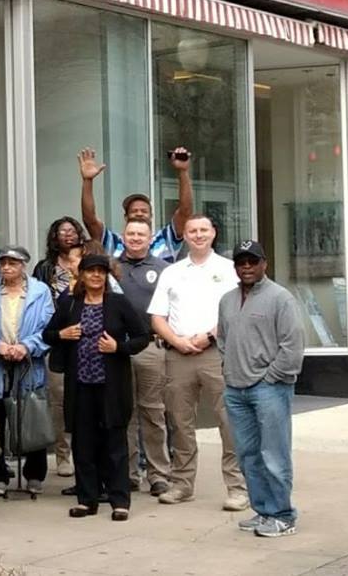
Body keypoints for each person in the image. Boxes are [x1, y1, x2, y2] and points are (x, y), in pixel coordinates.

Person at [147, 214, 247, 510]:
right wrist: (177, 341)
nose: (199, 235)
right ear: (185, 235)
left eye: (204, 229)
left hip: (217, 353)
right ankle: (182, 484)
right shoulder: (172, 272)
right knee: (180, 422)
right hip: (178, 355)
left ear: (214, 233)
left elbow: (236, 311)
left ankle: (238, 488)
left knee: (229, 420)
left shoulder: (228, 269)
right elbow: (157, 317)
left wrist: (209, 336)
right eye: (192, 230)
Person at [43, 254, 149, 521]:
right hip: (80, 385)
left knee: (115, 443)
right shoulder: (70, 303)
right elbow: (48, 334)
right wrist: (62, 335)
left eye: (101, 271)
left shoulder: (118, 303)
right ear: (81, 275)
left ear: (107, 276)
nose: (96, 275)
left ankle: (119, 500)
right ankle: (86, 499)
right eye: (91, 271)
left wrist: (119, 347)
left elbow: (142, 337)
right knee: (83, 444)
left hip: (111, 386)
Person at [219, 240, 305, 539]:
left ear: (264, 264)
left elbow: (292, 345)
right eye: (241, 262)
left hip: (269, 388)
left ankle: (283, 515)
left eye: (252, 262)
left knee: (274, 455)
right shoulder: (227, 300)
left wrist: (271, 377)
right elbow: (223, 339)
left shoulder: (280, 298)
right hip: (235, 389)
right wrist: (228, 369)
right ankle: (264, 510)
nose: (246, 267)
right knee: (248, 455)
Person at [0, 246, 54, 497]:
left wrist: (27, 346)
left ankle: (34, 475)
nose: (7, 267)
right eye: (3, 263)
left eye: (12, 263)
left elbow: (48, 328)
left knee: (32, 417)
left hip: (28, 364)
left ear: (23, 265)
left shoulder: (40, 291)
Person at [116, 219, 171, 496]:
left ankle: (158, 474)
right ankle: (127, 474)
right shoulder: (113, 268)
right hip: (119, 348)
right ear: (122, 237)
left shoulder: (163, 269)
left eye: (141, 234)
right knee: (125, 413)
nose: (135, 238)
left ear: (151, 239)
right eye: (131, 233)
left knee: (153, 411)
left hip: (151, 346)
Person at [31, 217, 85, 478]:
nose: (68, 235)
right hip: (56, 339)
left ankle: (85, 453)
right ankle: (63, 454)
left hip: (86, 341)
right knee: (59, 401)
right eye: (62, 231)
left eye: (72, 230)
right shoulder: (45, 268)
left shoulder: (88, 265)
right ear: (54, 236)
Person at [78, 146, 194, 263]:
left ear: (151, 216)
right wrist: (88, 181)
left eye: (144, 211)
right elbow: (90, 220)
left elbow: (185, 211)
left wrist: (183, 172)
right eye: (134, 211)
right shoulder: (113, 242)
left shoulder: (165, 239)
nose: (139, 213)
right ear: (125, 217)